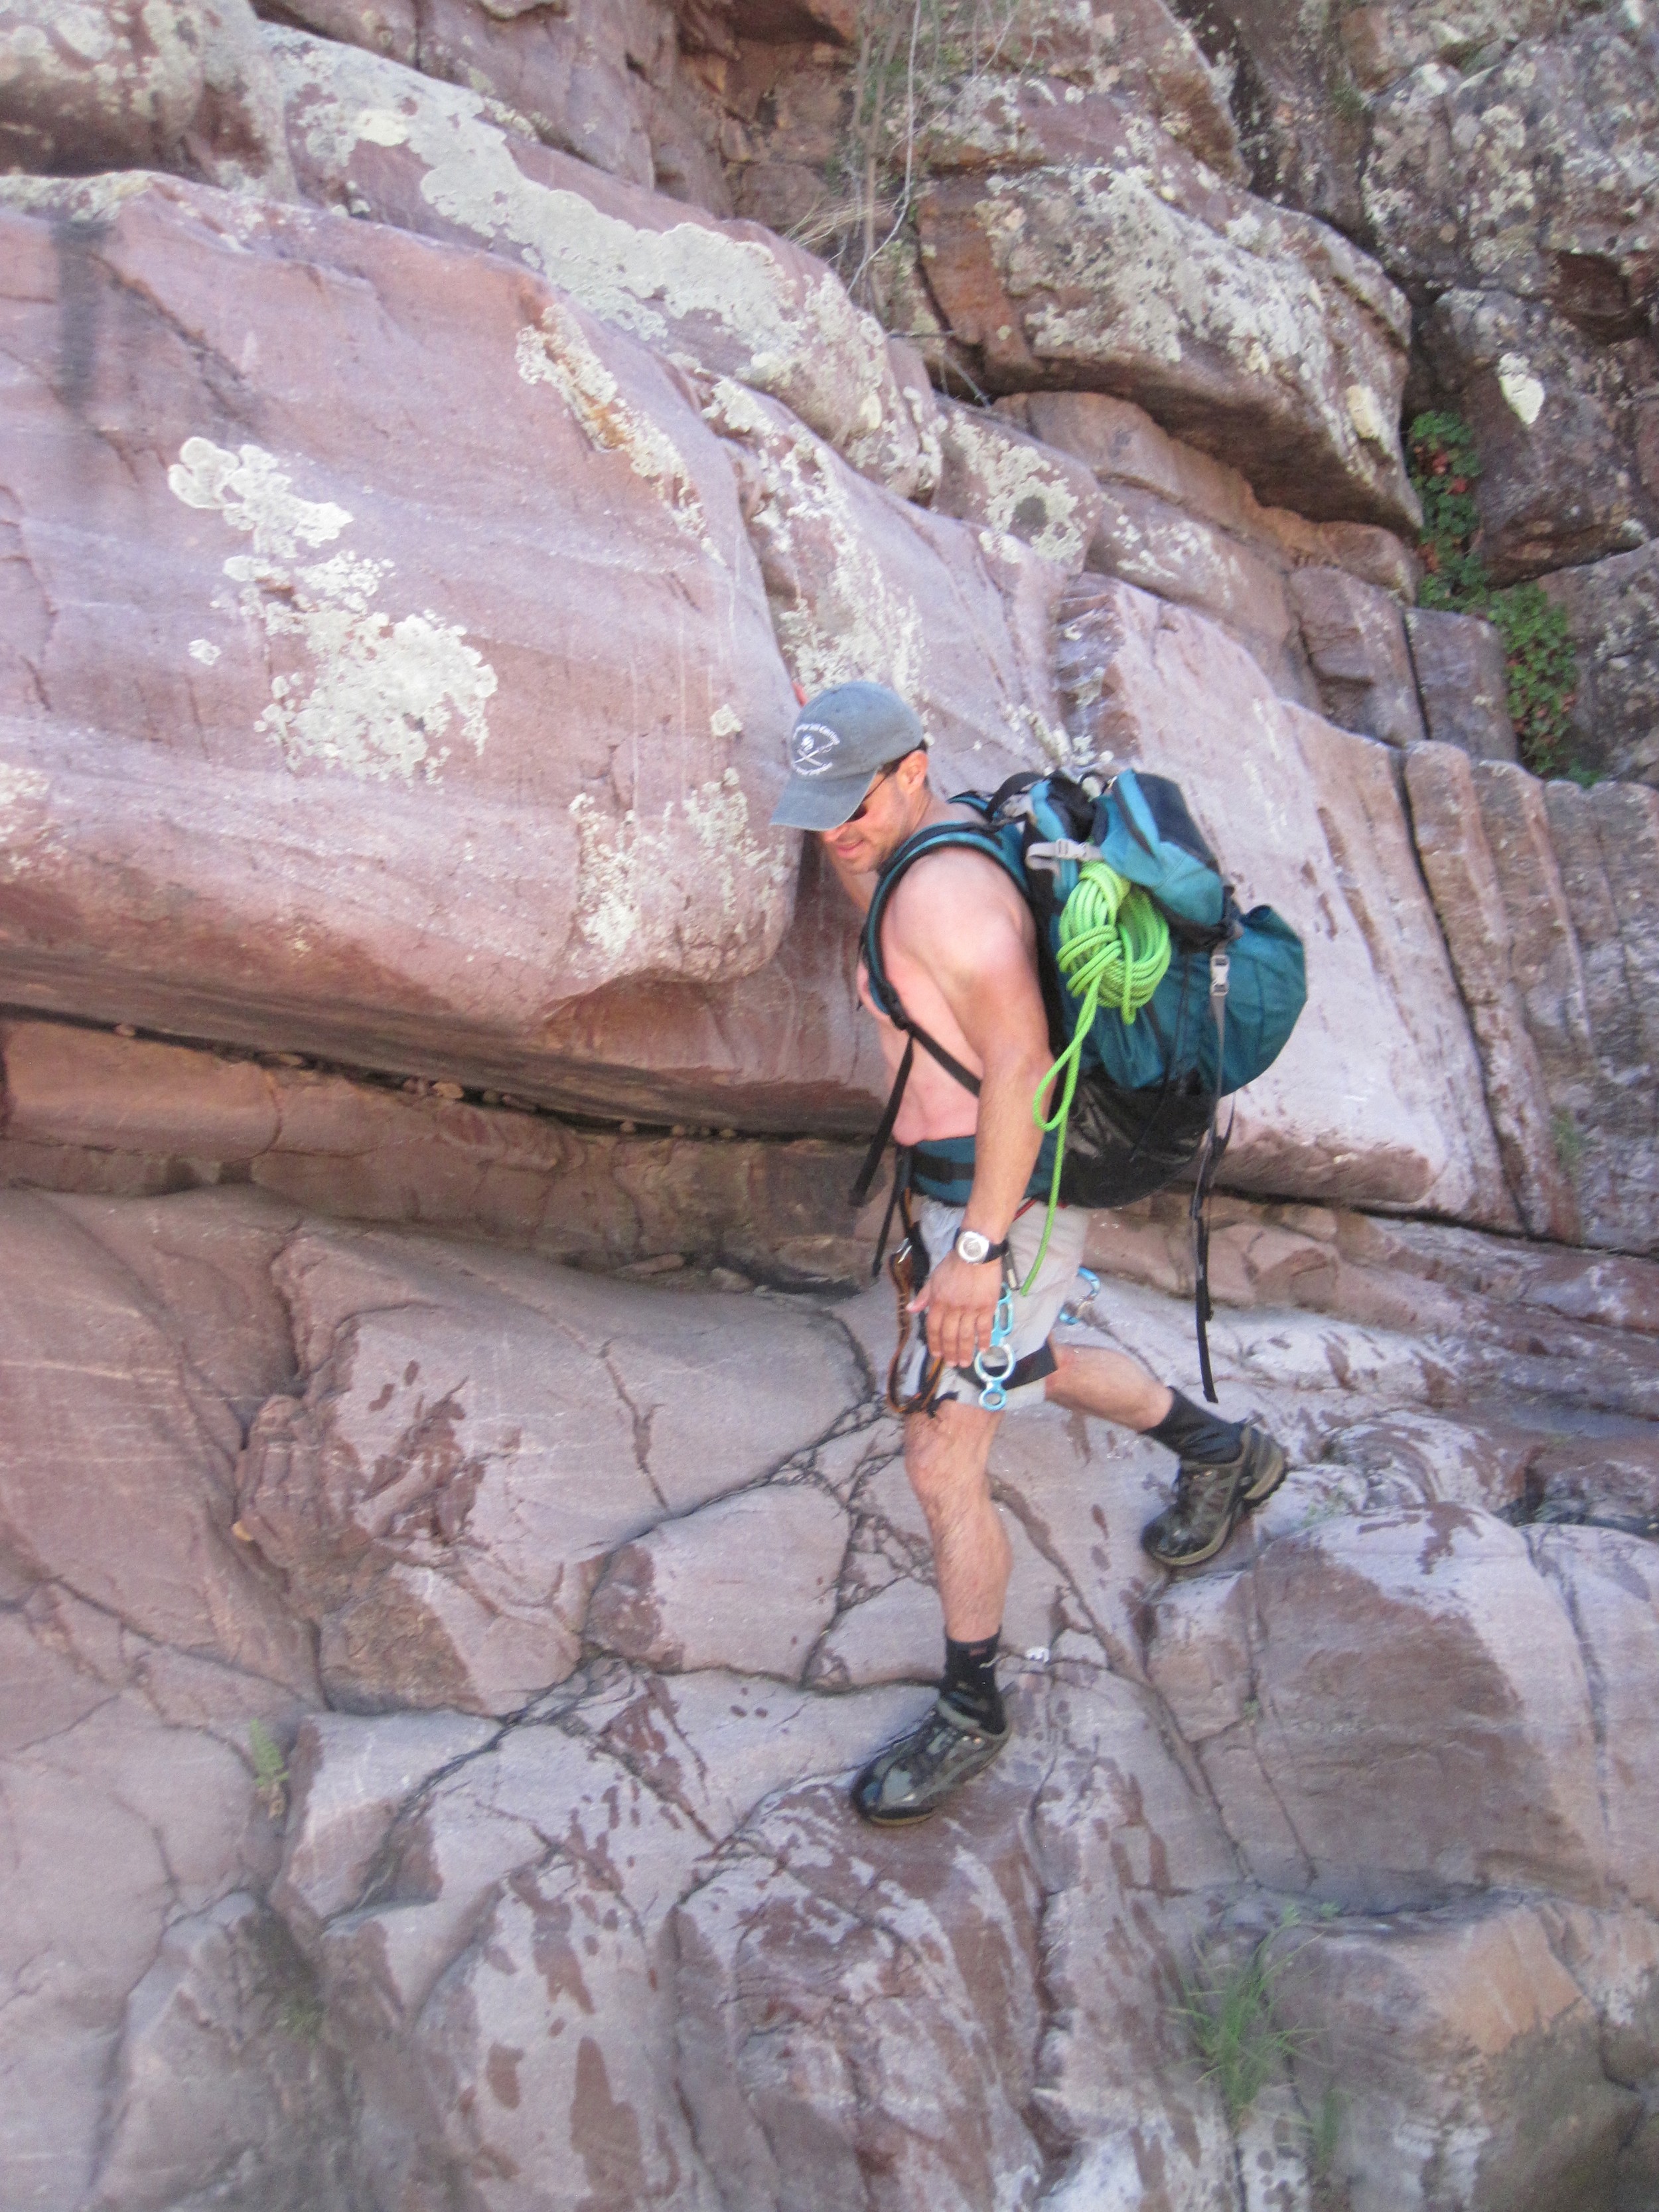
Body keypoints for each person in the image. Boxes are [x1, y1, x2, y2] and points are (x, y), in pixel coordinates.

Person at [769, 682, 1288, 1828]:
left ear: (911, 766)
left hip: (997, 1206)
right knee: (1023, 1360)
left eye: (845, 801)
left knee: (944, 1459)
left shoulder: (950, 901)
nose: (829, 830)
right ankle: (1228, 1451)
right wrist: (828, 749)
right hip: (971, 1198)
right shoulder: (916, 840)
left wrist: (975, 1253)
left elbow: (1017, 1066)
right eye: (813, 804)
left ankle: (972, 1706)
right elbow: (872, 883)